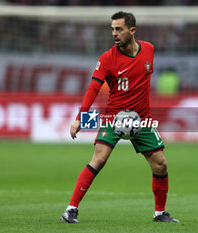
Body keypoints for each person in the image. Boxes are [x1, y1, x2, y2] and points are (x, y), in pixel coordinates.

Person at [60, 11, 179, 224]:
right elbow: (93, 89)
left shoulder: (149, 50)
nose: (114, 33)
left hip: (141, 119)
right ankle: (71, 210)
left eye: (119, 29)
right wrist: (80, 118)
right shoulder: (107, 59)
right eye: (112, 29)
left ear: (132, 31)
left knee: (160, 164)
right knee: (99, 159)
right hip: (114, 118)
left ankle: (160, 213)